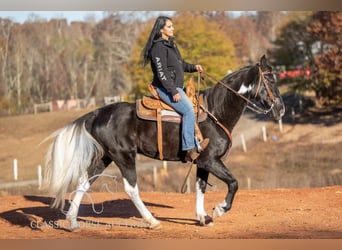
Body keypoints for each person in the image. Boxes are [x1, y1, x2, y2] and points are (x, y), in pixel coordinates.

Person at [142, 16, 209, 161]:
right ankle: (189, 149)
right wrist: (172, 91)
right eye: (169, 26)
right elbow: (161, 73)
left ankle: (195, 142)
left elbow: (181, 64)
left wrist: (193, 67)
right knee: (189, 111)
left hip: (177, 86)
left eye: (172, 26)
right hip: (165, 88)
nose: (173, 29)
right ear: (161, 29)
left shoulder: (171, 45)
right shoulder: (158, 48)